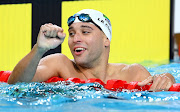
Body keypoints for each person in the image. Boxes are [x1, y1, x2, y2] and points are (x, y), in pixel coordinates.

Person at [8, 9, 175, 91]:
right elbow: (15, 83)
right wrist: (39, 50)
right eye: (72, 33)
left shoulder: (132, 73)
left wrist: (167, 78)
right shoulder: (60, 64)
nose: (76, 38)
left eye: (85, 31)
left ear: (106, 40)